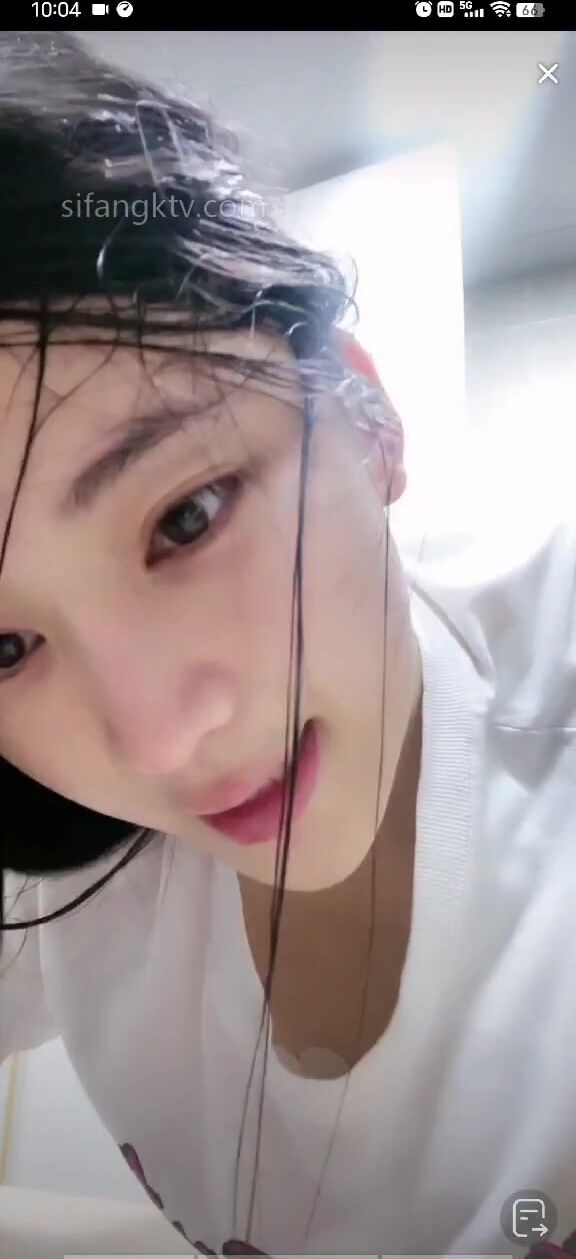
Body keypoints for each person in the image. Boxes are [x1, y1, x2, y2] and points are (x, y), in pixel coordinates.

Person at [1, 30, 576, 1259]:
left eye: (187, 515)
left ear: (367, 418)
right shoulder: (65, 864)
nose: (161, 740)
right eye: (5, 647)